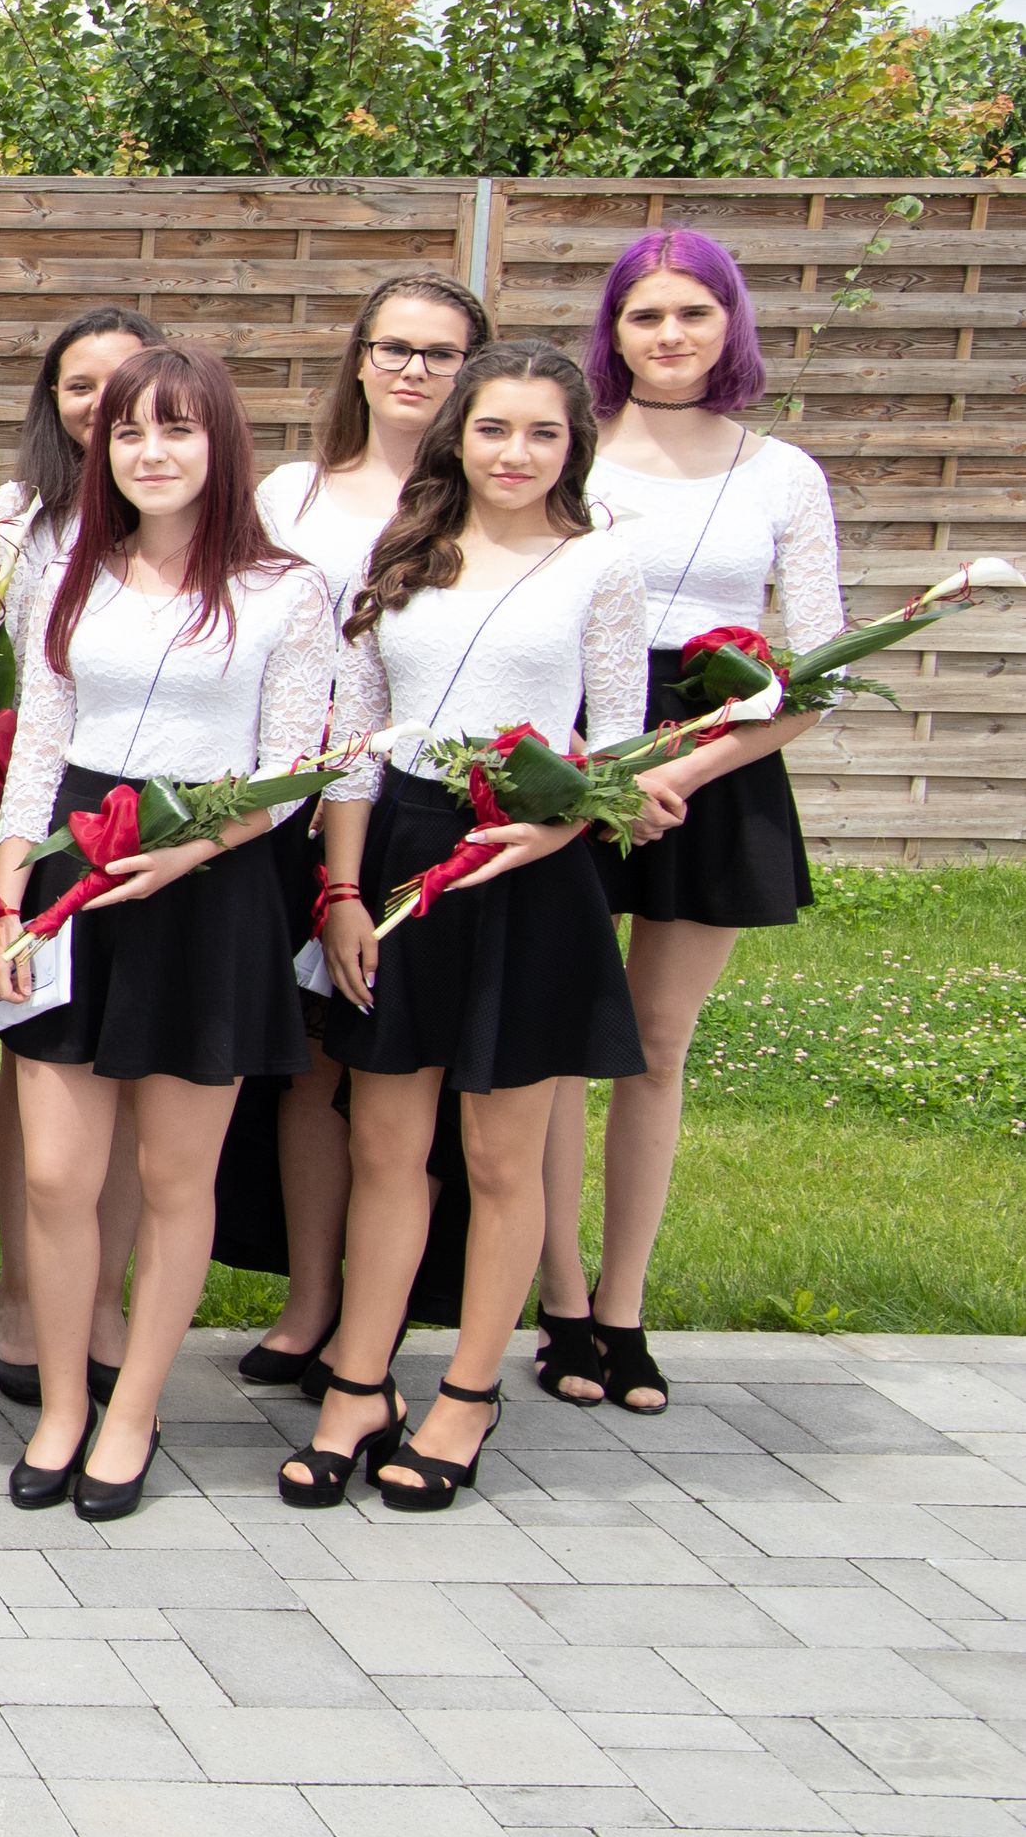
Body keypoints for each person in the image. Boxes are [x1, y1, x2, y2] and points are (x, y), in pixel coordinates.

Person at [0, 351, 337, 1520]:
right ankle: (64, 1407)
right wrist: (9, 900)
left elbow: (293, 767)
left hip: (208, 881)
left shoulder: (285, 590)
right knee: (55, 1174)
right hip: (73, 869)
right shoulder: (69, 574)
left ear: (219, 443)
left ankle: (132, 1410)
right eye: (129, 432)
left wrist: (189, 850)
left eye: (177, 430)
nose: (150, 452)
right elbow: (38, 744)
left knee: (176, 1176)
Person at [299, 342, 649, 1514]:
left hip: (529, 868)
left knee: (502, 1157)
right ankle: (359, 1383)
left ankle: (466, 1393)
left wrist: (552, 833)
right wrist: (343, 894)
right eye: (495, 428)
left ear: (574, 446)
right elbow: (355, 740)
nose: (516, 453)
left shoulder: (600, 565)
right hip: (400, 854)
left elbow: (620, 744)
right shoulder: (403, 553)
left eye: (543, 433)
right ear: (459, 433)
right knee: (384, 1147)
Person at [549, 231, 842, 1417]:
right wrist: (606, 776)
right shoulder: (569, 454)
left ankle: (623, 1311)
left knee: (657, 1043)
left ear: (731, 324)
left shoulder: (784, 475)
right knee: (559, 1038)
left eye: (693, 313)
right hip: (573, 755)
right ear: (612, 332)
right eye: (645, 315)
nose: (669, 335)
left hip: (719, 765)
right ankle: (559, 1304)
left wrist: (693, 768)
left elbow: (818, 673)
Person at [244, 273, 486, 1390]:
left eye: (440, 354)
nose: (413, 371)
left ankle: (377, 1328)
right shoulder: (290, 493)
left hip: (424, 809)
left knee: (405, 1071)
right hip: (293, 802)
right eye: (394, 348)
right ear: (359, 357)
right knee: (308, 1068)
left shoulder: (488, 497)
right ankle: (309, 1302)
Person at [0, 301, 164, 1404]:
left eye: (126, 383)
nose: (103, 405)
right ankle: (24, 1286)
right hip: (17, 822)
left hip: (145, 830)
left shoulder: (191, 523)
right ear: (52, 402)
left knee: (131, 1080)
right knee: (37, 1070)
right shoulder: (19, 522)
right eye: (81, 386)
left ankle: (102, 1297)